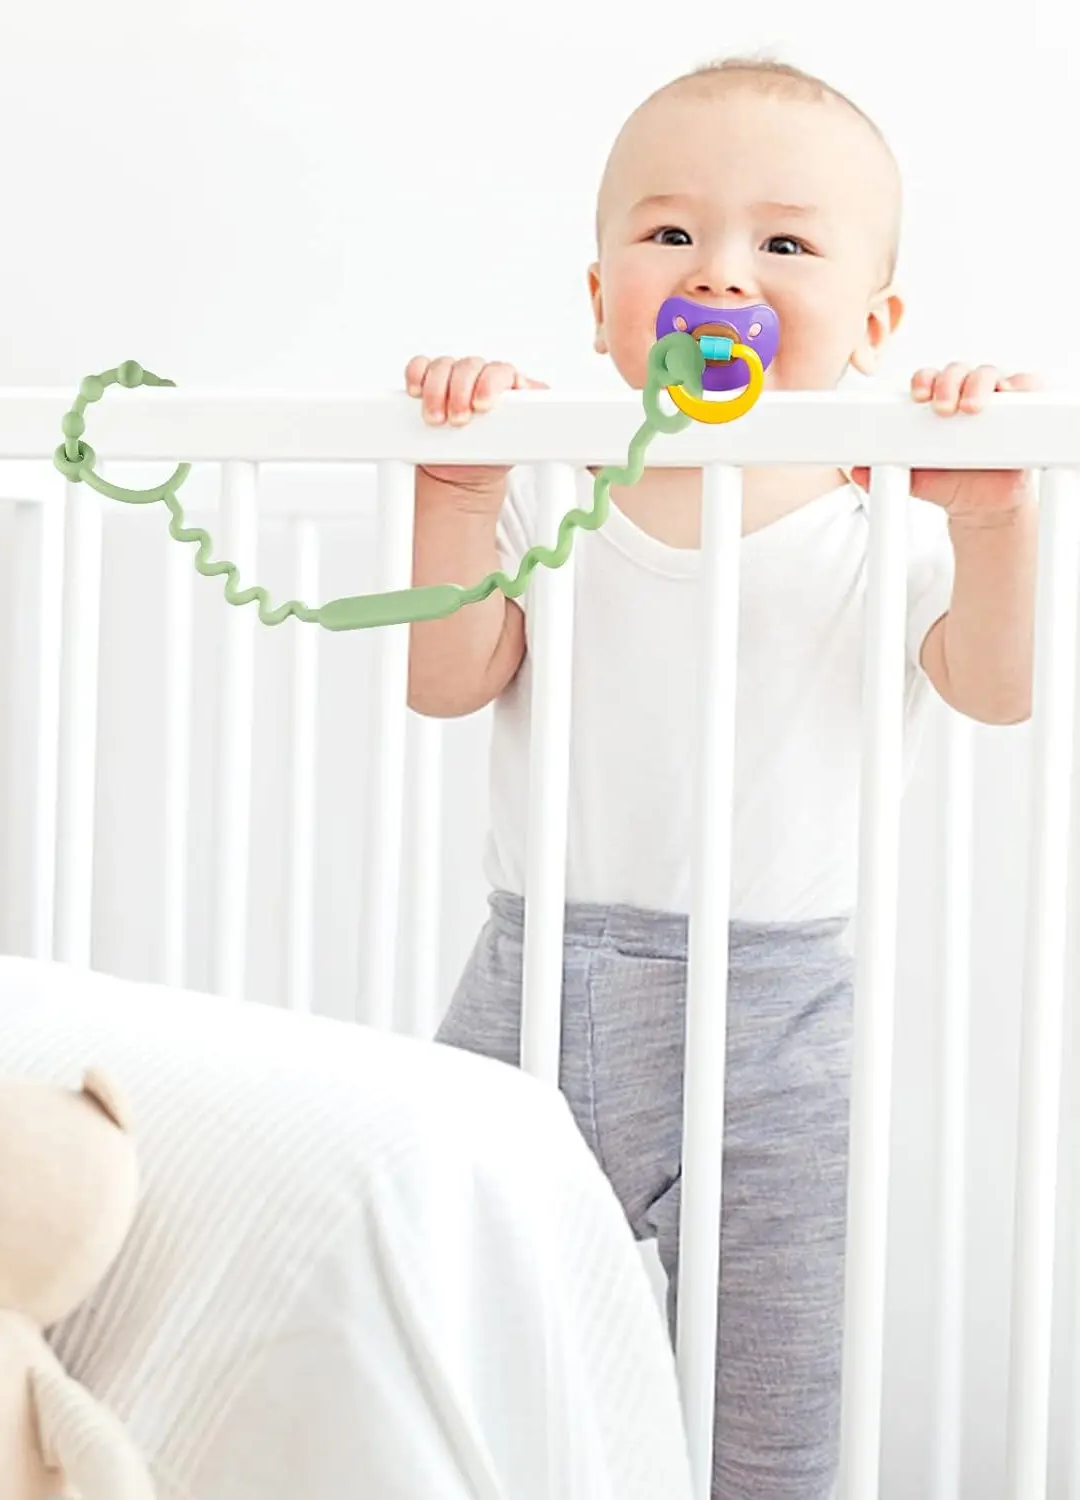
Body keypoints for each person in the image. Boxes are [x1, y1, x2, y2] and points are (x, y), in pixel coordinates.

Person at [406, 56, 1038, 1500]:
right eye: (671, 235)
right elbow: (446, 678)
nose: (720, 276)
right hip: (537, 984)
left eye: (786, 244)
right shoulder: (552, 477)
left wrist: (997, 513)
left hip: (780, 1026)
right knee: (441, 1344)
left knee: (774, 1411)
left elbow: (997, 692)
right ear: (599, 301)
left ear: (874, 325)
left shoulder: (890, 508)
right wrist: (453, 490)